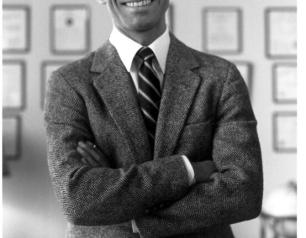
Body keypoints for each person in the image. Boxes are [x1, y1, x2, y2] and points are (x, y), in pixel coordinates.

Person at [44, 0, 263, 237]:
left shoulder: (221, 77)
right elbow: (76, 199)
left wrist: (133, 211)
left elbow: (244, 193)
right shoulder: (68, 83)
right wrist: (187, 170)